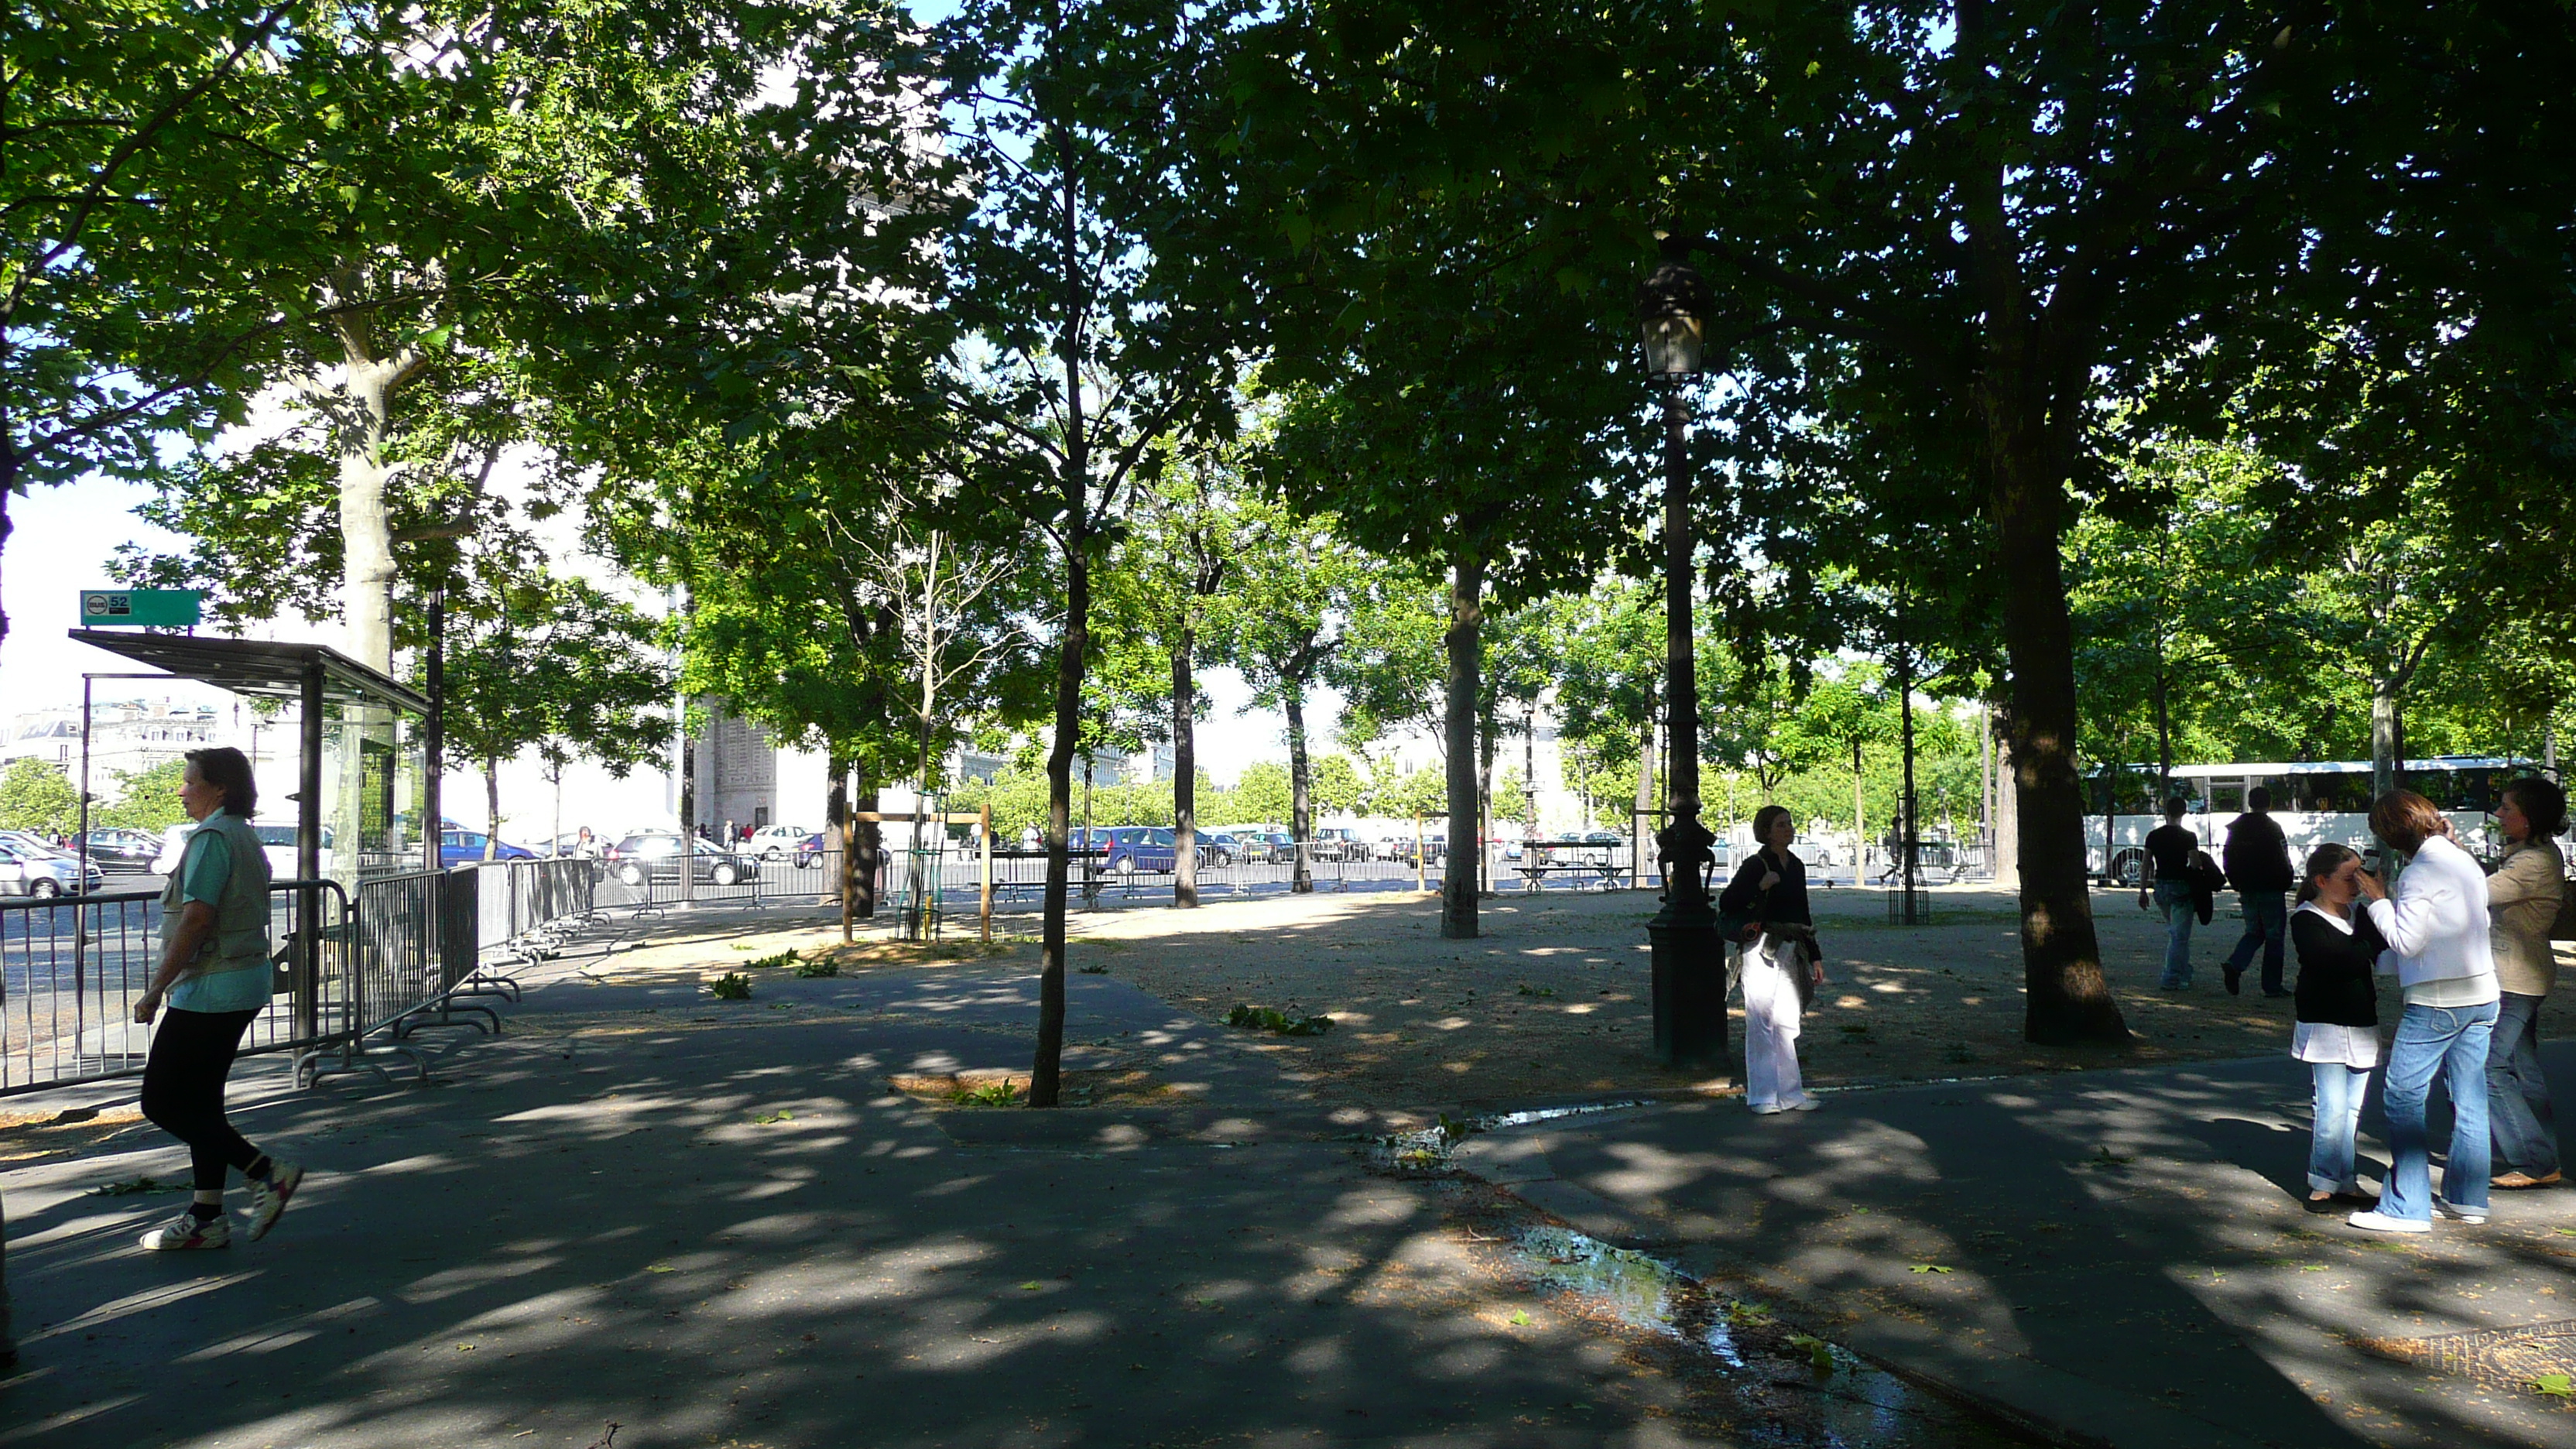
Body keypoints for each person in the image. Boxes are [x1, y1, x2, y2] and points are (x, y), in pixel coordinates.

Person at [132, 747, 304, 1251]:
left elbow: (197, 918)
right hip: (243, 980)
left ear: (219, 788)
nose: (181, 790)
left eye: (188, 781)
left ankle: (267, 1172)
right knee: (202, 1103)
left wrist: (155, 988)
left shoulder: (211, 839)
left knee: (161, 1101)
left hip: (211, 986)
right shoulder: (243, 834)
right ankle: (207, 1217)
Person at [2348, 789, 2496, 1234]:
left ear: (2394, 834)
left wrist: (2377, 901)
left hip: (2438, 998)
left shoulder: (2420, 872)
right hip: (2482, 990)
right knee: (2470, 1097)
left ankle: (2407, 1205)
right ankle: (2468, 1198)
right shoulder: (2460, 860)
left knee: (2403, 1095)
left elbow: (2407, 941)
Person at [2290, 844, 2386, 1210]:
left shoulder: (2360, 914)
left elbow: (2383, 949)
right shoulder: (2306, 918)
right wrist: (2369, 939)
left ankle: (2344, 1178)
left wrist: (2379, 907)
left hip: (2361, 1019)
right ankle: (2323, 1179)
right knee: (2330, 1106)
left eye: (2362, 875)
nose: (2358, 885)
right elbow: (2338, 961)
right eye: (2350, 877)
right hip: (2324, 1021)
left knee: (2352, 1109)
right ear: (2322, 880)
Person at [2485, 776, 2567, 1190]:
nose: (2499, 814)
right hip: (2523, 974)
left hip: (2515, 979)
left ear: (2528, 818)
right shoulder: (2531, 853)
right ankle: (2542, 1156)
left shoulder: (2532, 862)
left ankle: (2534, 1160)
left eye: (2506, 808)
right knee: (2522, 1067)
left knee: (2490, 1068)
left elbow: (2475, 894)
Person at [1719, 805, 1824, 1115]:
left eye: (1790, 824)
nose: (1788, 829)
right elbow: (1727, 901)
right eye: (1781, 825)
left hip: (1791, 947)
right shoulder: (1756, 865)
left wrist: (1815, 956)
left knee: (1787, 1020)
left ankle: (1791, 1093)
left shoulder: (1798, 866)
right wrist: (1760, 886)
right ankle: (1763, 1095)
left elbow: (1803, 914)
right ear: (1766, 831)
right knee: (1761, 1018)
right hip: (1761, 946)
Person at [2222, 786, 2296, 997]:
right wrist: (2286, 879)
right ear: (2269, 803)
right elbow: (2283, 857)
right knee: (2274, 937)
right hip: (2271, 887)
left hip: (2247, 887)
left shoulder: (2236, 828)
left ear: (2249, 802)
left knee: (2254, 931)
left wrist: (2235, 881)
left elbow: (2227, 856)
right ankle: (2272, 985)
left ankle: (2236, 963)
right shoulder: (2272, 828)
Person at [2138, 797, 2200, 989]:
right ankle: (2171, 977)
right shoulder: (2188, 837)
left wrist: (2142, 891)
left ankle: (2184, 971)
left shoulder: (2153, 836)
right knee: (2179, 936)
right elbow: (2196, 864)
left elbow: (2146, 864)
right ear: (2184, 812)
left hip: (2161, 887)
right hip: (2181, 887)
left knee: (2176, 933)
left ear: (2167, 812)